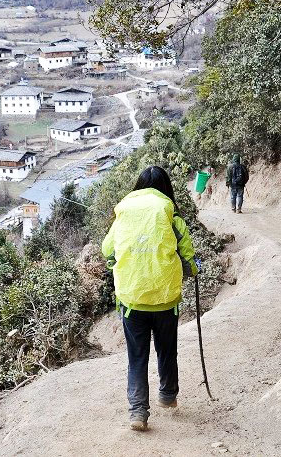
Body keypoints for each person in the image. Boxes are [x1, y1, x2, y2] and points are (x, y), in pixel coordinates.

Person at [102, 166, 200, 432]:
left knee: (137, 356)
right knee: (167, 349)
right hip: (166, 297)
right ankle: (167, 396)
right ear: (165, 187)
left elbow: (107, 249)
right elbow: (187, 250)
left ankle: (137, 412)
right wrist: (191, 268)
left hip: (132, 298)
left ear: (139, 185)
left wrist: (117, 262)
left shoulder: (123, 211)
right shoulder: (169, 211)